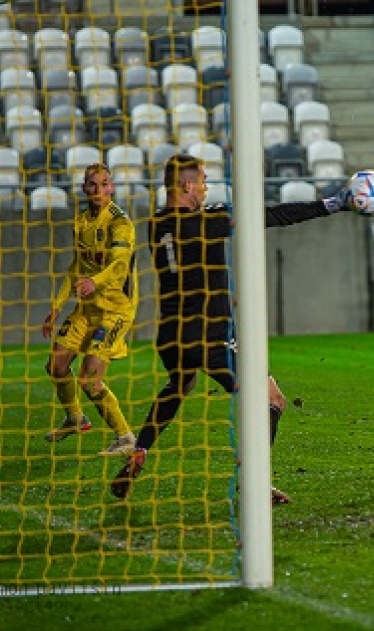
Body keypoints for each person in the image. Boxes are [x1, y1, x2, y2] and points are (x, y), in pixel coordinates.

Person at [111, 154, 350, 502]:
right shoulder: (203, 221)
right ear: (187, 185)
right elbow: (271, 215)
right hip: (209, 331)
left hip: (171, 333)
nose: (207, 188)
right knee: (271, 400)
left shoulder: (158, 222)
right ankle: (254, 483)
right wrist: (331, 204)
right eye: (203, 181)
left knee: (180, 384)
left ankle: (140, 452)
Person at [43, 163, 139, 455]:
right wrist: (57, 307)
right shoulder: (82, 222)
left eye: (105, 184)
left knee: (88, 377)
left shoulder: (119, 223)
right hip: (86, 309)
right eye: (92, 184)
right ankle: (75, 418)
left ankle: (125, 438)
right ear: (84, 188)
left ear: (112, 187)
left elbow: (119, 265)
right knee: (56, 365)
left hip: (115, 310)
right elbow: (76, 267)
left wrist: (94, 282)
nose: (99, 190)